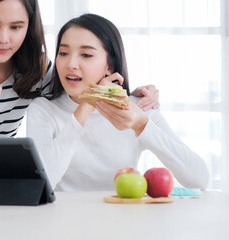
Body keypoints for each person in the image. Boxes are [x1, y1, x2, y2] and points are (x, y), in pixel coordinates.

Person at [0, 0, 160, 204]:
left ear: (29, 26)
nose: (4, 38)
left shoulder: (39, 69)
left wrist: (125, 92)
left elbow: (75, 90)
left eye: (16, 27)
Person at [26, 13, 209, 191]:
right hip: (62, 221)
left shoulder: (136, 109)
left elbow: (199, 179)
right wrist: (86, 106)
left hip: (124, 220)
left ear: (110, 66)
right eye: (63, 52)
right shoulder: (43, 109)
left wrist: (142, 125)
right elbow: (40, 184)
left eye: (86, 55)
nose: (71, 63)